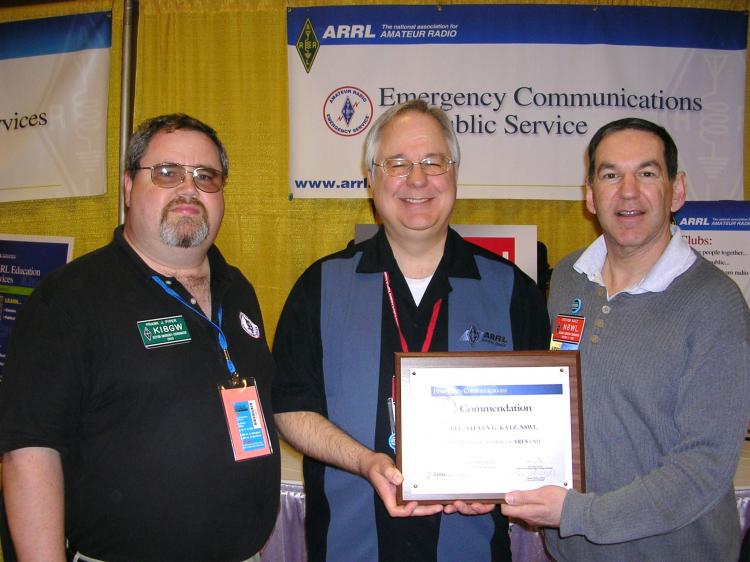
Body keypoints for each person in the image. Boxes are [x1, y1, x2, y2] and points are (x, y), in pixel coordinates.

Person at [271, 99, 550, 561]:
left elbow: (539, 428)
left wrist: (501, 485)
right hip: (349, 549)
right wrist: (365, 461)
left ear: (455, 173)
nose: (417, 179)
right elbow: (290, 406)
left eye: (433, 162)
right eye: (397, 163)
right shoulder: (320, 286)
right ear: (371, 179)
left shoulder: (512, 291)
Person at [0, 114, 280, 562]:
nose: (189, 189)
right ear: (129, 186)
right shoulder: (69, 299)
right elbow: (29, 453)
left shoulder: (238, 289)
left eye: (205, 176)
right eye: (167, 172)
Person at [501, 117, 750, 561]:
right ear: (590, 195)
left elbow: (703, 467)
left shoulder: (715, 303)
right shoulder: (569, 277)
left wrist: (578, 514)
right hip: (572, 553)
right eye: (611, 175)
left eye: (647, 173)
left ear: (677, 190)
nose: (628, 191)